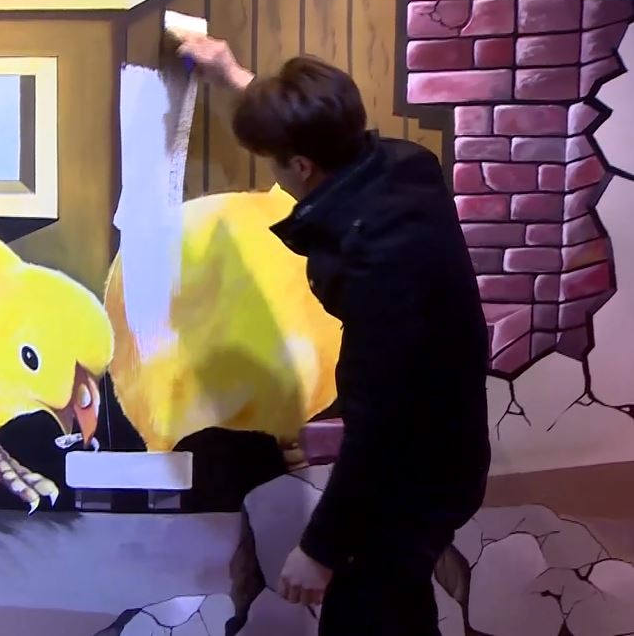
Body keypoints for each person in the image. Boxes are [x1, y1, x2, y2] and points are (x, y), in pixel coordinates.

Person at [176, 35, 492, 635]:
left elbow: (380, 424)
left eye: (274, 160)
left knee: (365, 617)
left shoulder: (379, 263)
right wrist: (234, 75)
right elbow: (318, 130)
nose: (273, 173)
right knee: (397, 611)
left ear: (301, 166)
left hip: (416, 469)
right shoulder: (406, 167)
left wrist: (320, 549)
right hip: (442, 451)